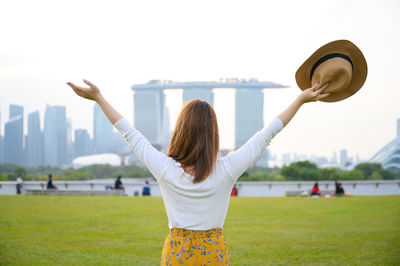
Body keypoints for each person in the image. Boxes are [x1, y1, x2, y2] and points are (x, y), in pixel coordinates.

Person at [67, 78, 329, 264]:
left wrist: (99, 98)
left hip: (177, 253)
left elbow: (129, 133)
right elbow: (267, 133)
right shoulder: (227, 169)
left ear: (180, 131)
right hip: (213, 252)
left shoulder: (165, 169)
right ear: (214, 134)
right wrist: (300, 99)